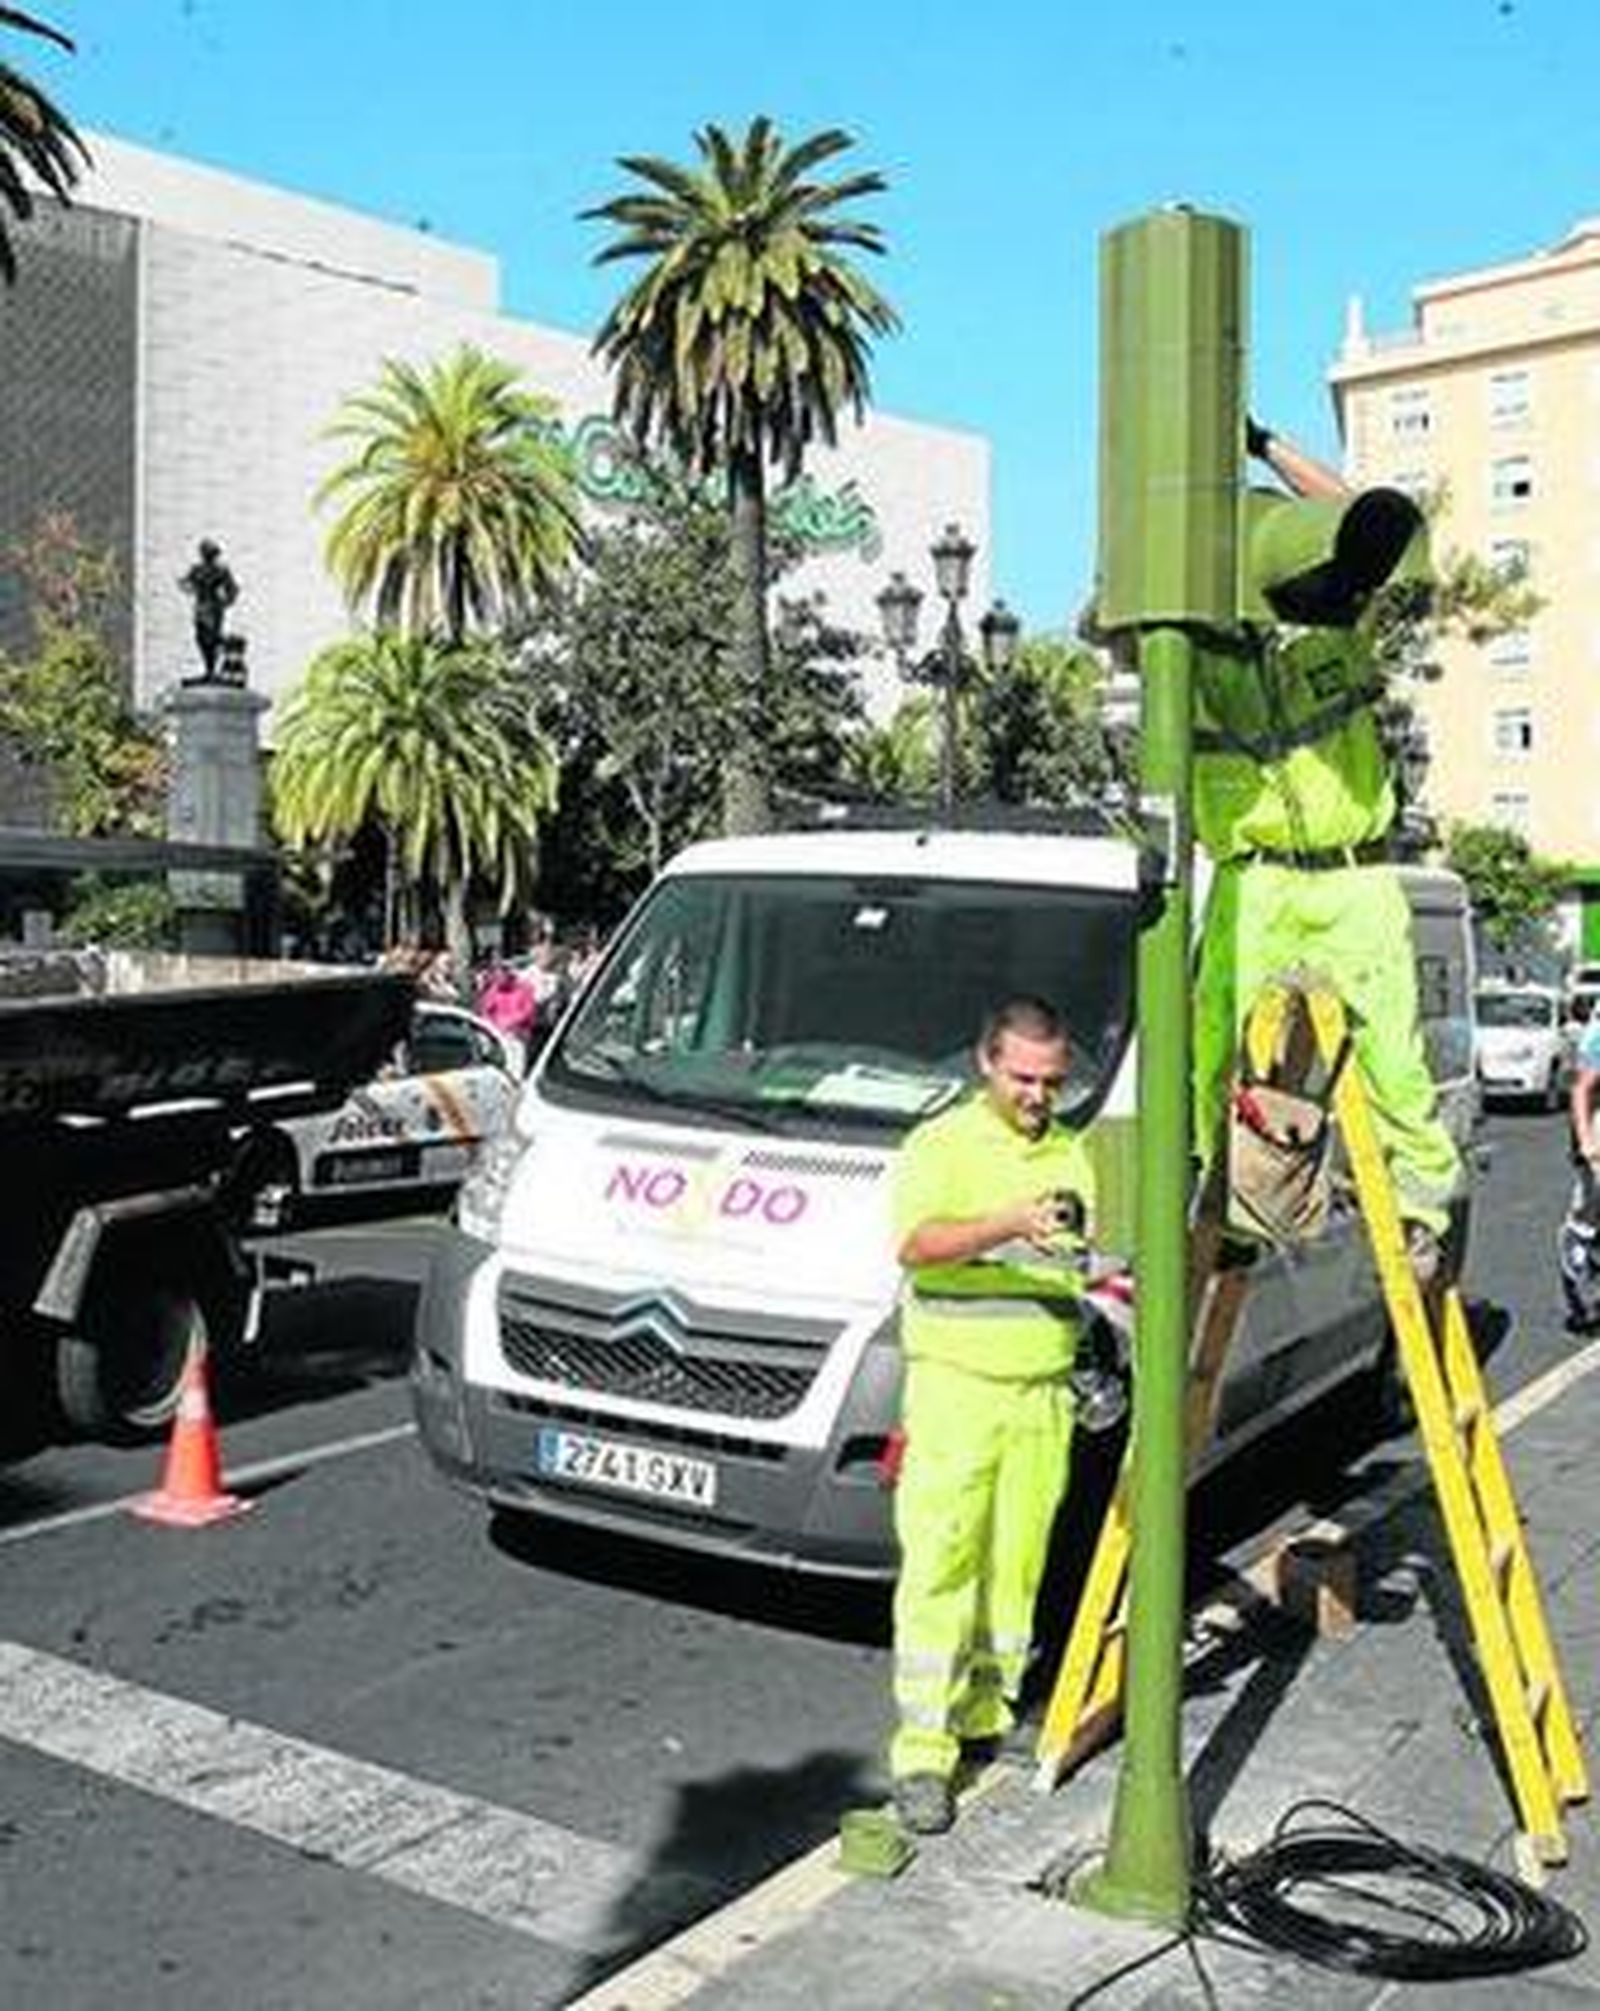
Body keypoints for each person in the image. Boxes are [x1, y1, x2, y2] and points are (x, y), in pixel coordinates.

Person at [1191, 419, 1463, 1282]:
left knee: (1391, 1046)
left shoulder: (1335, 625)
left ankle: (1422, 1208)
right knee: (1208, 1040)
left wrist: (1264, 446)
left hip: (1354, 875)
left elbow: (1355, 519)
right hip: (1255, 879)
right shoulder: (1198, 650)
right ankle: (1218, 1195)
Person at [888, 995, 1097, 1835]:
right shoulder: (940, 1143)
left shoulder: (1075, 1152)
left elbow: (1083, 1255)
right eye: (1023, 1078)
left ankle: (983, 1717)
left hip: (1041, 1394)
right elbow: (915, 1244)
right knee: (942, 1564)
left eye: (1051, 1080)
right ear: (986, 1062)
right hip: (955, 1387)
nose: (1038, 1095)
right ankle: (922, 1753)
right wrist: (1006, 1223)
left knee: (1014, 1571)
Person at [178, 538, 239, 679]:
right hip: (201, 607)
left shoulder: (221, 570)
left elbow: (233, 589)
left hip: (214, 606)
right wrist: (185, 586)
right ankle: (209, 668)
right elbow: (187, 582)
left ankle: (213, 667)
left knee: (212, 637)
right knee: (201, 637)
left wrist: (226, 602)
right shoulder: (197, 569)